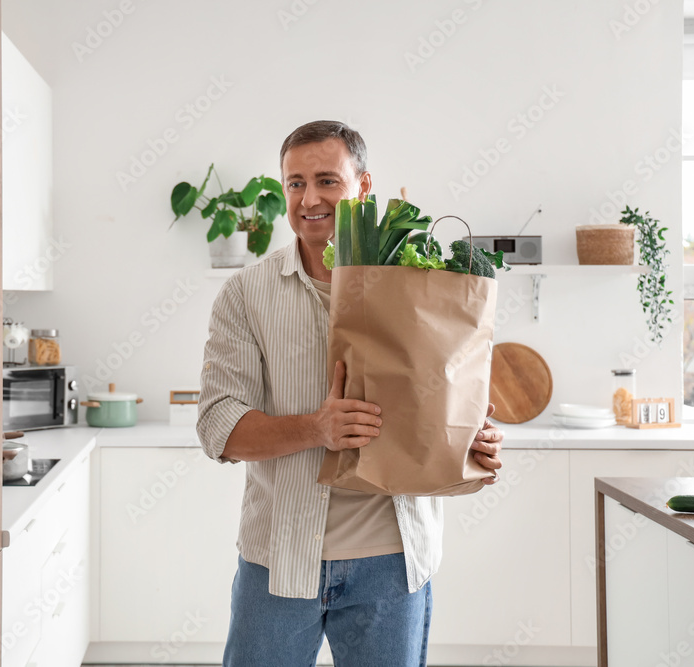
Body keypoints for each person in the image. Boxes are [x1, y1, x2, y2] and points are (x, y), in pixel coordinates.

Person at [196, 120, 505, 667]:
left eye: (326, 181)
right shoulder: (246, 294)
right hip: (279, 560)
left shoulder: (422, 286)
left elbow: (441, 410)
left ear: (363, 187)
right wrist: (318, 428)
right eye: (294, 183)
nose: (309, 198)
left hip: (392, 562)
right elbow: (219, 427)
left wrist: (472, 444)